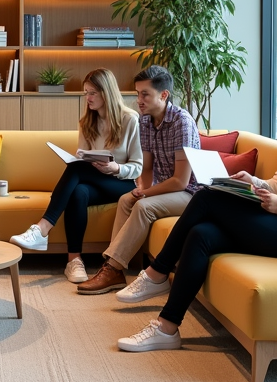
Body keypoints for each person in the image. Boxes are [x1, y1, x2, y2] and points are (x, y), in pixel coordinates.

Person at [116, 60, 277, 352]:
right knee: (201, 235)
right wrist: (256, 182)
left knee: (207, 196)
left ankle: (157, 273)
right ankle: (167, 328)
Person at [10, 68, 143, 283]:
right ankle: (74, 261)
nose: (87, 98)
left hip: (121, 183)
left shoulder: (130, 120)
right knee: (78, 191)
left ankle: (42, 229)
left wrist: (116, 169)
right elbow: (83, 158)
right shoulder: (86, 122)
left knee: (76, 169)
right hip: (93, 182)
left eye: (92, 93)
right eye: (86, 93)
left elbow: (138, 166)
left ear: (106, 93)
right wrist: (84, 160)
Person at [77, 65, 200, 296]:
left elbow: (181, 182)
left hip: (191, 194)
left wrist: (145, 194)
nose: (139, 100)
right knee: (126, 200)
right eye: (137, 93)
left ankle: (111, 267)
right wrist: (142, 187)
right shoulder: (145, 121)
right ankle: (115, 269)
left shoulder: (181, 122)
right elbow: (148, 167)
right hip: (166, 189)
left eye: (145, 94)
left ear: (163, 95)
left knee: (142, 206)